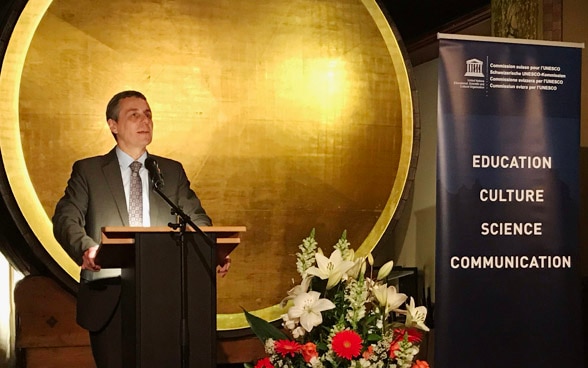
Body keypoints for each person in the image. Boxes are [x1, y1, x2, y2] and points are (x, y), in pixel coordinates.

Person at [52, 90, 229, 368]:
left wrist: (212, 249)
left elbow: (196, 218)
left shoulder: (170, 172)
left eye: (147, 115)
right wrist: (86, 248)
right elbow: (65, 218)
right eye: (134, 115)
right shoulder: (89, 171)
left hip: (165, 296)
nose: (144, 120)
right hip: (110, 296)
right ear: (113, 125)